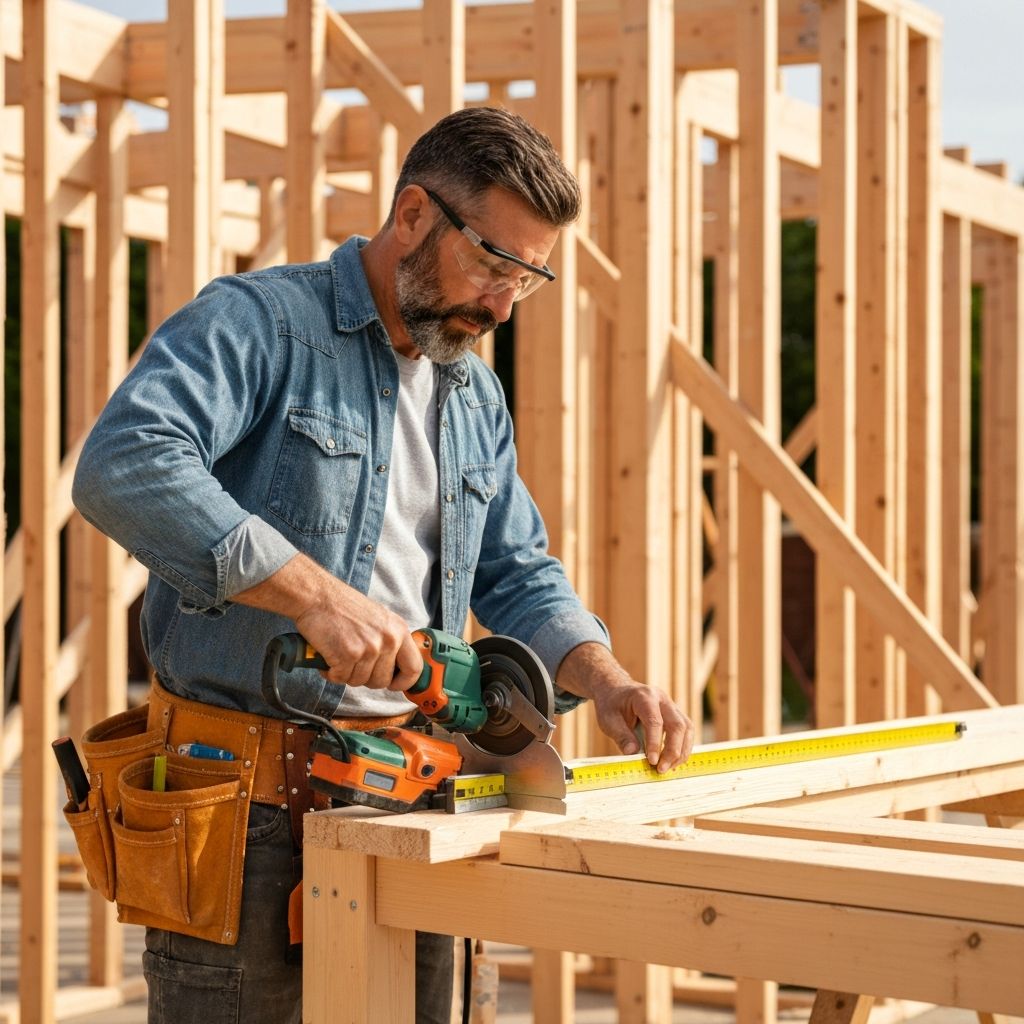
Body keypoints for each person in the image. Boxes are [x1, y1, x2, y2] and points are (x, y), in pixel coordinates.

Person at [73, 106, 695, 1024]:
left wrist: (602, 679)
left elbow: (516, 569)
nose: (501, 304)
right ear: (412, 217)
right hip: (251, 819)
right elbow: (126, 462)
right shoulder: (262, 325)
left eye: (528, 279)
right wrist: (316, 598)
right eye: (492, 263)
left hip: (423, 789)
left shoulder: (470, 388)